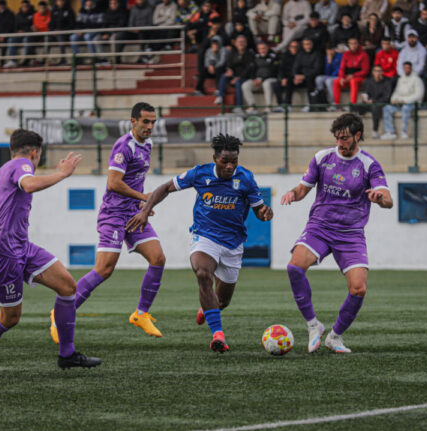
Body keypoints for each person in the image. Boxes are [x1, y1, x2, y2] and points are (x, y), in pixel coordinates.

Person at [0, 129, 101, 377]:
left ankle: (67, 355)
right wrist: (62, 173)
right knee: (10, 317)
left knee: (67, 286)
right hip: (2, 254)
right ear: (34, 153)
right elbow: (29, 184)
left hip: (21, 247)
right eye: (38, 157)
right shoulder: (21, 165)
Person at [127, 134, 273, 353]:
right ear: (215, 158)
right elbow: (165, 188)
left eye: (234, 161)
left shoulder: (246, 179)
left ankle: (207, 310)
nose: (230, 166)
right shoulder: (199, 173)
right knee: (203, 273)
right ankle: (218, 335)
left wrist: (264, 213)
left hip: (233, 243)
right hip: (205, 236)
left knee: (222, 301)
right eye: (225, 161)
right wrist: (146, 211)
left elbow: (258, 211)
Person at [51, 102, 167, 342]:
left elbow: (135, 180)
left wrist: (141, 206)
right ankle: (59, 313)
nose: (150, 126)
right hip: (113, 215)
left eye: (153, 122)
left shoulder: (149, 145)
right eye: (145, 121)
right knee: (104, 269)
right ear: (133, 121)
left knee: (158, 258)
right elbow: (113, 183)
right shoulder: (123, 147)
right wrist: (144, 198)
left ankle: (141, 314)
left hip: (133, 213)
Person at [281, 112, 392, 354]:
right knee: (294, 267)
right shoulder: (323, 158)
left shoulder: (369, 165)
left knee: (359, 288)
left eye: (344, 138)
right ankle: (313, 325)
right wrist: (292, 193)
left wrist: (379, 198)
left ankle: (335, 336)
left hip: (351, 233)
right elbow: (302, 190)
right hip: (319, 227)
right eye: (337, 138)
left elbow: (389, 200)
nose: (340, 143)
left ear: (357, 136)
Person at [381, 60, 424, 139]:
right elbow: (396, 92)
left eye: (408, 68)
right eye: (405, 68)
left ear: (411, 69)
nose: (406, 69)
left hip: (413, 104)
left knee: (406, 108)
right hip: (400, 103)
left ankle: (404, 131)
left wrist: (405, 100)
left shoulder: (417, 79)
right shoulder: (400, 79)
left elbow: (418, 95)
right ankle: (390, 132)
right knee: (387, 108)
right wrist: (394, 99)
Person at [216, 33, 254, 109]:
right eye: (239, 42)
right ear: (235, 43)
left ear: (246, 43)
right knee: (224, 75)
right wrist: (229, 69)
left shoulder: (249, 53)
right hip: (234, 75)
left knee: (238, 83)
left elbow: (249, 69)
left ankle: (239, 106)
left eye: (243, 42)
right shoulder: (233, 53)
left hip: (245, 77)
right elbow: (228, 64)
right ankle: (220, 96)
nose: (241, 43)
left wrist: (238, 77)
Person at [241, 40, 279, 112]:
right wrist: (254, 79)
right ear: (258, 50)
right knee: (245, 85)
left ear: (267, 48)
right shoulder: (255, 58)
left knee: (266, 84)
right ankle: (252, 106)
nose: (262, 50)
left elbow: (273, 71)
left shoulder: (273, 57)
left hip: (271, 79)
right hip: (258, 80)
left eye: (264, 48)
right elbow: (252, 70)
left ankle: (269, 106)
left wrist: (262, 79)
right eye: (260, 49)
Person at [332, 37, 369, 109]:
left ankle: (353, 104)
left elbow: (365, 71)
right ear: (348, 45)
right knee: (336, 82)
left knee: (353, 81)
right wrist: (342, 77)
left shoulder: (364, 55)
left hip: (359, 77)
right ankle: (337, 105)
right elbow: (342, 68)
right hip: (348, 76)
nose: (353, 45)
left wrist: (354, 75)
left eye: (355, 43)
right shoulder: (346, 54)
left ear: (358, 44)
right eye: (351, 44)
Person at [359, 64, 393, 135]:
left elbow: (386, 98)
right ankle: (357, 130)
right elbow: (367, 93)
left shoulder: (387, 82)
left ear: (382, 72)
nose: (378, 73)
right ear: (373, 72)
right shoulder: (369, 82)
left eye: (379, 71)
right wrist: (364, 97)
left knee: (375, 107)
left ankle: (375, 130)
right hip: (370, 102)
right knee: (357, 107)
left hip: (381, 103)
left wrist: (373, 101)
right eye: (376, 71)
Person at [4, 0, 34, 68]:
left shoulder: (33, 14)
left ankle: (27, 60)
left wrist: (26, 31)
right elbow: (15, 27)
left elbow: (33, 27)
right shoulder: (18, 15)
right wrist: (18, 31)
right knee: (11, 40)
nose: (25, 8)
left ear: (29, 6)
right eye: (23, 6)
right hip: (20, 34)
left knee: (26, 40)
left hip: (29, 34)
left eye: (26, 6)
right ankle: (13, 60)